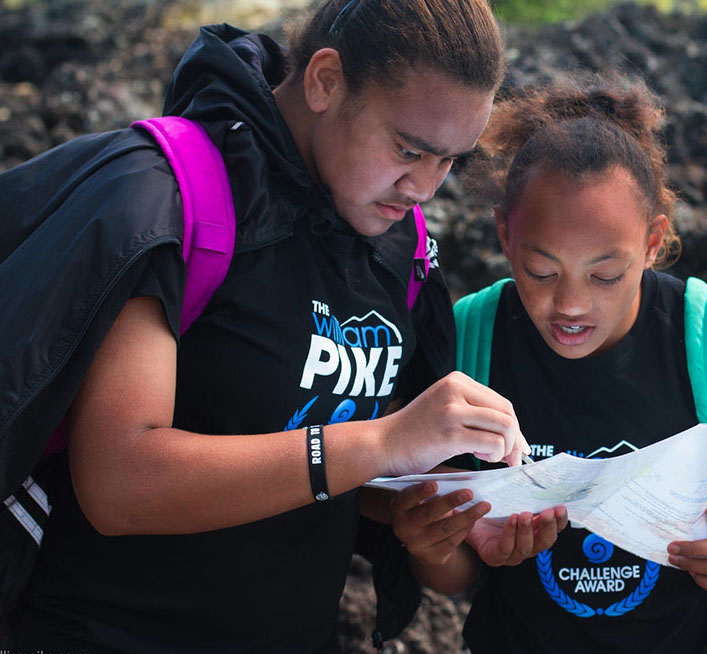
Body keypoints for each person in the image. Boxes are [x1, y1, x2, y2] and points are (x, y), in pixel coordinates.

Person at [0, 1, 535, 650]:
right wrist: (380, 442)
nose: (425, 186)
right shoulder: (172, 197)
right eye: (409, 149)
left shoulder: (400, 245)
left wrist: (429, 514)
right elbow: (118, 482)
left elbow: (349, 468)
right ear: (325, 81)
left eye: (450, 161)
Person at [390, 74, 707, 653]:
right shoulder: (467, 345)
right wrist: (430, 546)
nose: (570, 304)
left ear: (652, 241)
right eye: (541, 272)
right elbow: (459, 576)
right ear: (504, 235)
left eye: (606, 274)